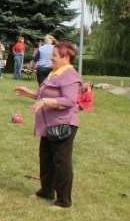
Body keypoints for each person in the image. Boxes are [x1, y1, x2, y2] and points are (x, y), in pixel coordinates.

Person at [14, 41, 81, 209]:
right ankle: (46, 191)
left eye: (54, 57)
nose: (51, 60)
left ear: (66, 57)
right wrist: (29, 93)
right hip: (48, 125)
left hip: (63, 125)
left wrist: (45, 101)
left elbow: (70, 100)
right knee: (46, 159)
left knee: (61, 161)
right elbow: (44, 94)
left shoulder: (70, 75)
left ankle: (64, 201)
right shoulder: (55, 73)